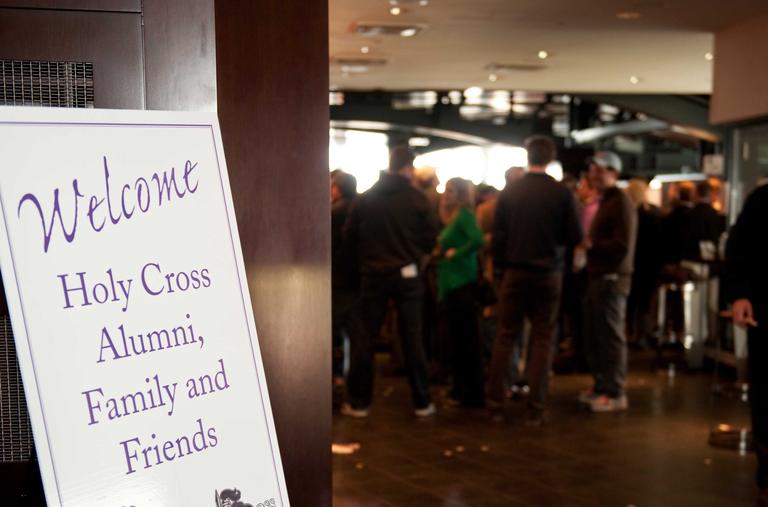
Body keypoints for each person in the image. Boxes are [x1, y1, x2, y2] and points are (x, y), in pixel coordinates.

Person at [487, 136, 582, 425]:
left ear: (527, 156)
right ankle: (536, 406)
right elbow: (574, 236)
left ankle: (495, 403)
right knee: (543, 338)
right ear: (551, 158)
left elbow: (498, 237)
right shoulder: (560, 193)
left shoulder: (510, 192)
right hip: (548, 272)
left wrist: (502, 268)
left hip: (515, 272)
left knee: (505, 335)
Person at [342, 146, 439, 418]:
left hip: (372, 275)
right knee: (412, 338)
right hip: (407, 275)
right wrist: (415, 255)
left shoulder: (365, 199)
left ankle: (359, 402)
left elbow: (348, 238)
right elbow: (431, 236)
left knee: (365, 338)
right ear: (409, 168)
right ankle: (422, 401)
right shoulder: (417, 199)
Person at [581, 151, 638, 412]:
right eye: (593, 170)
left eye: (601, 170)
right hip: (599, 275)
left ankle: (614, 391)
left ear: (614, 173)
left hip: (612, 277)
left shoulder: (621, 202)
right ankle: (603, 385)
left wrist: (593, 245)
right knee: (597, 334)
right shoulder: (606, 201)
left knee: (610, 334)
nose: (595, 174)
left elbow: (622, 244)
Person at [725, 182, 768, 507]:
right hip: (765, 312)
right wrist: (740, 294)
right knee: (766, 396)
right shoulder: (762, 199)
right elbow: (738, 249)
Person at [437, 177, 485, 407]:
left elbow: (477, 240)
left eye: (451, 191)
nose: (446, 194)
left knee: (465, 340)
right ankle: (462, 390)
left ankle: (469, 392)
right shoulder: (455, 217)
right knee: (459, 340)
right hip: (454, 283)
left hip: (461, 283)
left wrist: (454, 254)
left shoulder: (464, 216)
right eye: (446, 190)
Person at [625, 179, 664, 349]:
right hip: (648, 267)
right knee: (644, 304)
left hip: (632, 266)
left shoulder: (628, 216)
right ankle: (642, 335)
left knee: (631, 303)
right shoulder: (653, 217)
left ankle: (631, 334)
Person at [331, 172, 360, 390]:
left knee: (335, 328)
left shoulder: (333, 212)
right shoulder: (363, 208)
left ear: (338, 188)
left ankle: (337, 373)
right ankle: (353, 377)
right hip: (360, 277)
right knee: (357, 330)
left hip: (339, 278)